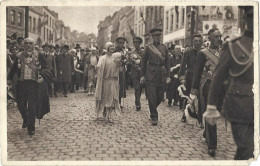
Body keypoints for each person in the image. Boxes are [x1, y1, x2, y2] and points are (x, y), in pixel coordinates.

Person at [204, 6, 254, 160]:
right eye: (252, 17)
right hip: (241, 106)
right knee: (247, 149)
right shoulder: (234, 45)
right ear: (246, 19)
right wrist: (211, 107)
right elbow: (218, 77)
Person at [190, 28, 223, 157]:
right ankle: (212, 145)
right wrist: (194, 90)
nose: (219, 39)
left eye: (220, 36)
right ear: (209, 38)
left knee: (217, 111)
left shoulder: (224, 52)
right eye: (216, 37)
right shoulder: (203, 53)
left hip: (221, 87)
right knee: (212, 113)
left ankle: (206, 133)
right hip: (207, 86)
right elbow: (197, 73)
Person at [7, 38, 47, 135]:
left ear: (34, 45)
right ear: (23, 45)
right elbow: (13, 69)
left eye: (30, 43)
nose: (28, 45)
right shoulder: (19, 56)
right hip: (21, 84)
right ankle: (25, 118)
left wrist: (42, 76)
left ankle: (31, 127)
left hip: (34, 84)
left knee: (32, 106)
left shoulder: (39, 55)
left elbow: (45, 68)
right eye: (26, 43)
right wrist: (8, 80)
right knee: (21, 104)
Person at [140, 28, 170, 126]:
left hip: (161, 74)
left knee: (160, 95)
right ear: (152, 37)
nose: (158, 37)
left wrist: (168, 76)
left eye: (159, 35)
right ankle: (154, 116)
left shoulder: (164, 48)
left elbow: (168, 64)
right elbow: (143, 63)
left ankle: (152, 108)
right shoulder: (148, 48)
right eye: (156, 36)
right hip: (150, 74)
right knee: (152, 96)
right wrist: (142, 75)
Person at [178, 34, 203, 123]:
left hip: (201, 77)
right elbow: (182, 66)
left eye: (199, 41)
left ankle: (199, 116)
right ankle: (185, 115)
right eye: (196, 41)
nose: (198, 43)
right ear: (193, 42)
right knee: (188, 97)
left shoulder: (204, 52)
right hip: (190, 76)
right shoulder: (188, 52)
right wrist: (182, 78)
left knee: (200, 97)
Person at [95, 42, 121, 122]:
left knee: (113, 98)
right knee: (106, 97)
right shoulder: (103, 58)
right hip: (106, 81)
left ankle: (109, 116)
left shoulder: (115, 56)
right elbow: (99, 65)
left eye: (113, 46)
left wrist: (121, 64)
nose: (112, 47)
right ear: (107, 48)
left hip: (113, 80)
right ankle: (104, 111)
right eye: (110, 46)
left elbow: (121, 63)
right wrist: (98, 67)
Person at [130, 37, 144, 111]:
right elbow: (130, 62)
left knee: (140, 88)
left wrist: (140, 62)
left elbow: (145, 62)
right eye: (135, 43)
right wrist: (132, 61)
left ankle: (138, 101)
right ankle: (137, 104)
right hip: (135, 72)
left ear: (140, 44)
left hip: (142, 73)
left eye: (137, 43)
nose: (136, 44)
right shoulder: (132, 52)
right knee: (137, 88)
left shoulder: (143, 52)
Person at [113, 37, 128, 108]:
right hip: (115, 70)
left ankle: (119, 101)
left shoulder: (123, 50)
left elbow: (125, 58)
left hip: (121, 70)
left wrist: (125, 61)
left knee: (121, 85)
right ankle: (115, 101)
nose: (122, 44)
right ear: (117, 43)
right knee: (115, 86)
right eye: (120, 43)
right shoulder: (114, 50)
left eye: (123, 43)